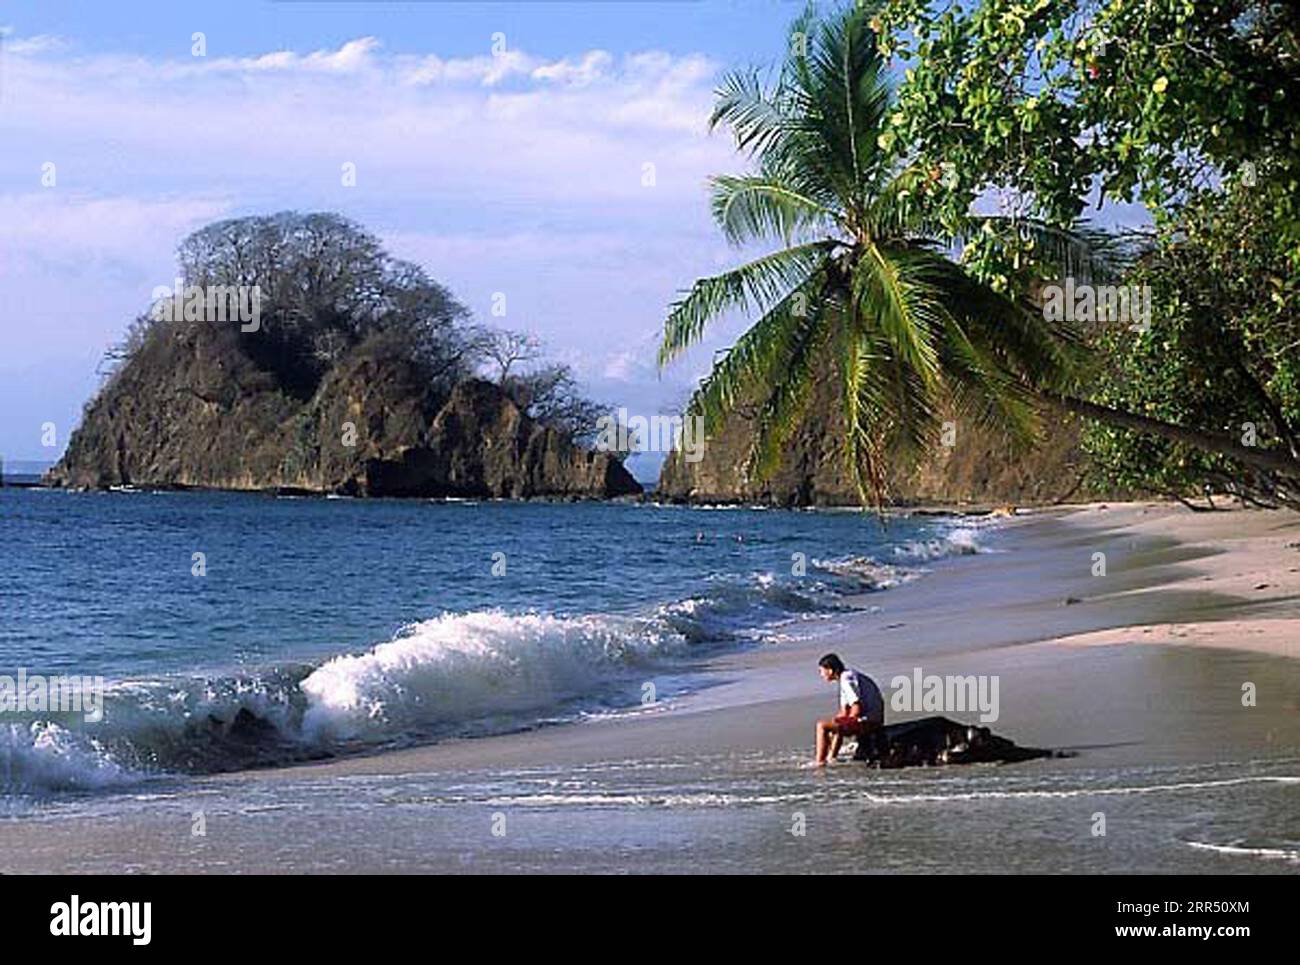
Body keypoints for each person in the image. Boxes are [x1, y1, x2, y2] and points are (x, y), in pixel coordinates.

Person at [814, 653, 884, 766]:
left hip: (869, 720)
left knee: (821, 725)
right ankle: (831, 758)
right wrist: (838, 722)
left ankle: (820, 761)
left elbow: (856, 706)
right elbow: (844, 711)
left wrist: (848, 722)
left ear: (830, 670)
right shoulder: (845, 678)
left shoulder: (846, 678)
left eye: (822, 671)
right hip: (872, 717)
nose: (821, 675)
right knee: (834, 724)